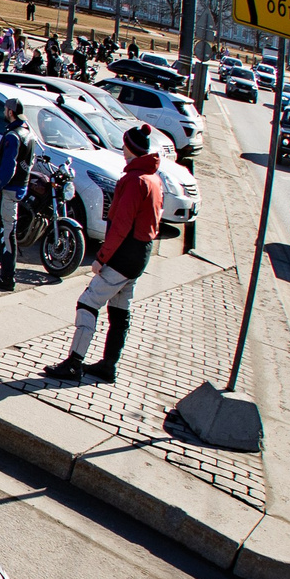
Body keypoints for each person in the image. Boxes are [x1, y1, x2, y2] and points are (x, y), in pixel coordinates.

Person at [47, 125, 165, 384]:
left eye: (124, 145)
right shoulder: (153, 179)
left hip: (123, 255)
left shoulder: (135, 180)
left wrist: (102, 258)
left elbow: (121, 225)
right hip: (140, 255)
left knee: (87, 303)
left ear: (131, 149)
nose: (122, 150)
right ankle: (108, 365)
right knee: (120, 310)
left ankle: (73, 363)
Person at [0, 97, 36, 292]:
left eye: (5, 109)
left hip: (10, 189)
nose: (4, 112)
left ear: (10, 112)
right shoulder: (28, 133)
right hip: (18, 188)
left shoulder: (13, 136)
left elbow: (8, 167)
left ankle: (7, 277)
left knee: (7, 232)